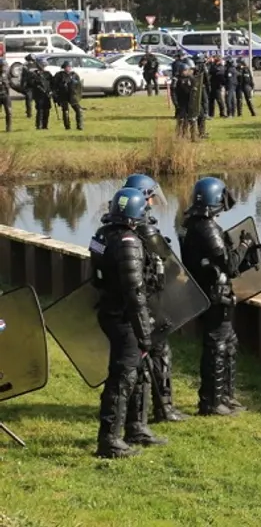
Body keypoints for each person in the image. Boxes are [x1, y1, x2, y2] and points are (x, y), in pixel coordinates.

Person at [89, 187, 167, 458]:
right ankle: (109, 440)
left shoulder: (102, 236)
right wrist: (145, 334)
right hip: (125, 317)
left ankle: (136, 427)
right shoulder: (128, 242)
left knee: (137, 372)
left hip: (111, 311)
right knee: (123, 377)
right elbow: (135, 293)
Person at [180, 177, 261, 416]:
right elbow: (227, 262)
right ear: (215, 199)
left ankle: (225, 396)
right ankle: (212, 402)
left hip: (210, 292)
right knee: (217, 346)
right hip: (214, 296)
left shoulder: (191, 224)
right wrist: (245, 245)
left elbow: (219, 262)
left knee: (228, 345)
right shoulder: (206, 228)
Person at [121, 174, 188, 424]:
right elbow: (171, 267)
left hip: (130, 303)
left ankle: (136, 410)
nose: (151, 202)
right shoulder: (145, 230)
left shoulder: (116, 228)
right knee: (159, 353)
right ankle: (163, 407)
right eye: (149, 197)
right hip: (149, 301)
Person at [52, 61, 84, 131]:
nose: (68, 68)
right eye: (67, 67)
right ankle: (67, 127)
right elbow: (54, 86)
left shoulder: (75, 75)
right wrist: (55, 95)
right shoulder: (59, 75)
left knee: (79, 110)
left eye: (69, 67)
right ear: (64, 68)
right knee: (65, 111)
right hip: (63, 95)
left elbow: (79, 86)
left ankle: (80, 126)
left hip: (73, 96)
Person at [31, 57, 52, 130]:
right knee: (40, 110)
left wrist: (51, 92)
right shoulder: (34, 74)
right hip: (39, 96)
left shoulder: (48, 74)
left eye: (44, 65)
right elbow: (32, 84)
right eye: (42, 65)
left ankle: (45, 125)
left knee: (47, 110)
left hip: (47, 95)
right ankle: (38, 125)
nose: (43, 67)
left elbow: (52, 83)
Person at [0, 58, 11, 132]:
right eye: (2, 66)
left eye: (4, 66)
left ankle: (8, 128)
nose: (4, 67)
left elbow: (9, 82)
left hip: (5, 95)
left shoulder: (6, 74)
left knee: (9, 112)